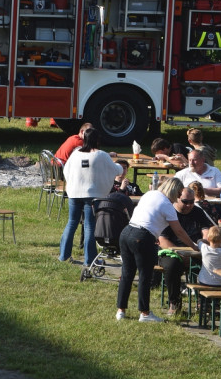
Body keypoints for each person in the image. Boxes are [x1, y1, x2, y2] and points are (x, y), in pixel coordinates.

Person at [116, 177, 196, 322]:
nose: (179, 197)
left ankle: (121, 310)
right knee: (145, 276)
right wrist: (194, 246)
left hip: (126, 232)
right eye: (178, 193)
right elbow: (179, 231)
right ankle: (145, 313)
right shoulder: (167, 205)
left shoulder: (150, 194)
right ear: (173, 190)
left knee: (127, 274)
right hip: (142, 237)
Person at [60, 128, 122, 266]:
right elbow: (116, 169)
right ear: (98, 140)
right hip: (92, 195)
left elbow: (66, 170)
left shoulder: (76, 153)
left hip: (74, 193)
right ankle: (90, 260)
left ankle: (64, 255)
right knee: (89, 226)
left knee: (72, 222)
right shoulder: (101, 155)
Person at [157, 185, 201, 315]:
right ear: (177, 199)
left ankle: (204, 301)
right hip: (171, 251)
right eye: (185, 202)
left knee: (213, 262)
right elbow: (162, 240)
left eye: (192, 202)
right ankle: (174, 302)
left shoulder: (198, 212)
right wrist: (181, 254)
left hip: (194, 251)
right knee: (172, 265)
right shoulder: (168, 212)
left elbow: (207, 231)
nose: (189, 205)